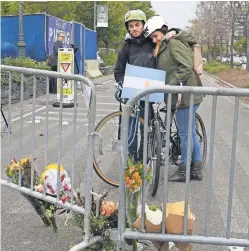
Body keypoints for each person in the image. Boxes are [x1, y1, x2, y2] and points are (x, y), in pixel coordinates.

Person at [143, 16, 203, 182]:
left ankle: (184, 170)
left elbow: (185, 66)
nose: (154, 39)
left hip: (185, 94)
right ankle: (197, 169)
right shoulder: (163, 47)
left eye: (155, 35)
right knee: (189, 133)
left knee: (185, 134)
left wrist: (171, 85)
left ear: (162, 30)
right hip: (182, 94)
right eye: (152, 38)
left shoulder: (173, 43)